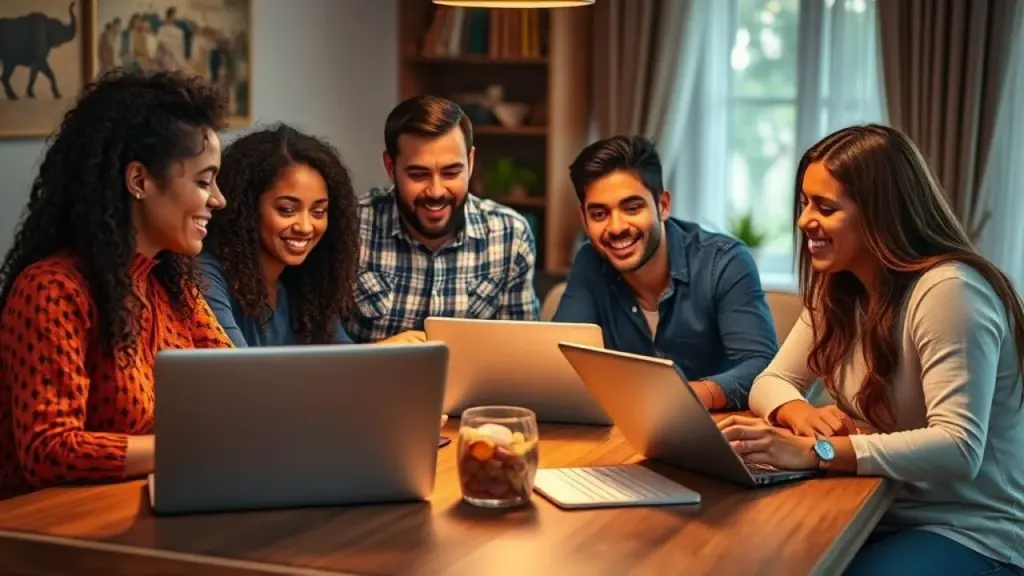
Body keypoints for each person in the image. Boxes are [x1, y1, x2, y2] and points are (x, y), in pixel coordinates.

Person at [718, 125, 1024, 575]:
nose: (804, 221)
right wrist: (797, 414)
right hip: (877, 511)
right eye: (804, 203)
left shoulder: (949, 292)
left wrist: (815, 452)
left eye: (825, 207)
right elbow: (773, 380)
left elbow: (958, 447)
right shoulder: (839, 288)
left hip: (971, 531)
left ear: (882, 216)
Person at [0, 69, 234, 499]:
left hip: (140, 506)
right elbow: (49, 450)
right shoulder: (51, 290)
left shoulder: (171, 284)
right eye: (204, 181)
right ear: (139, 181)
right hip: (44, 534)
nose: (218, 199)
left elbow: (238, 387)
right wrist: (187, 448)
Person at [553, 135, 778, 411]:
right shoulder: (590, 261)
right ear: (584, 220)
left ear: (663, 205)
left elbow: (762, 367)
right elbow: (562, 363)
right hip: (624, 434)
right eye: (599, 214)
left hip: (717, 431)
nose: (616, 227)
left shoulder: (724, 261)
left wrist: (682, 397)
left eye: (632, 208)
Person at [345, 95, 540, 343]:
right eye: (418, 174)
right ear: (391, 167)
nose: (436, 191)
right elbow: (319, 347)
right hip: (370, 380)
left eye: (451, 173)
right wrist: (375, 356)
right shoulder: (351, 227)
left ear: (470, 162)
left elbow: (521, 351)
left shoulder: (510, 234)